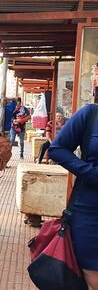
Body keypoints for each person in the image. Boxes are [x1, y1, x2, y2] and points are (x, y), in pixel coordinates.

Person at [47, 104, 98, 289]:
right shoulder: (91, 114)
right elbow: (57, 149)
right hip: (89, 209)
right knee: (92, 272)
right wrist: (91, 173)